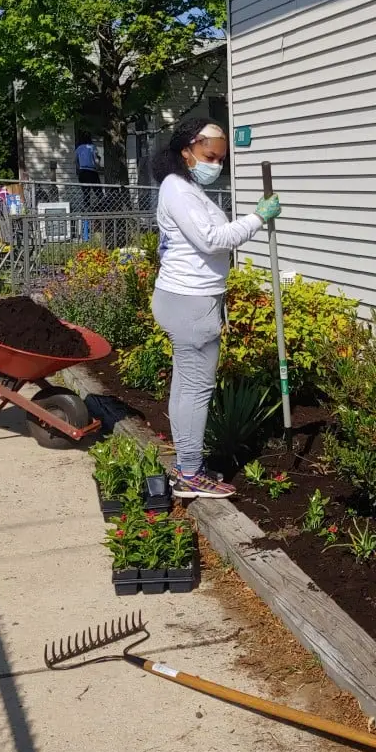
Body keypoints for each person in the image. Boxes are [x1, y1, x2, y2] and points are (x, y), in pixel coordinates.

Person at [150, 117, 280, 499]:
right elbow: (210, 240)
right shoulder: (177, 189)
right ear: (187, 150)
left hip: (192, 299)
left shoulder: (187, 187)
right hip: (189, 302)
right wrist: (258, 218)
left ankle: (187, 464)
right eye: (211, 156)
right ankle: (190, 474)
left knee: (186, 386)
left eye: (222, 159)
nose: (217, 165)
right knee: (195, 389)